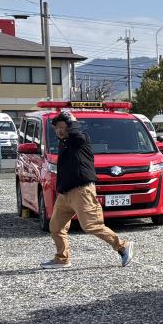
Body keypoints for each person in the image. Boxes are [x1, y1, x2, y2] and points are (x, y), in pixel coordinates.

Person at [41, 109, 135, 270]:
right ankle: (62, 259)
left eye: (63, 127)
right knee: (55, 227)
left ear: (70, 126)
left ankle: (123, 246)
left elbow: (77, 136)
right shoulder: (64, 143)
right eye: (56, 128)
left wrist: (73, 121)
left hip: (82, 191)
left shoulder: (80, 139)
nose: (59, 130)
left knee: (91, 225)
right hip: (65, 193)